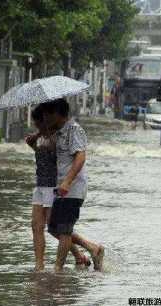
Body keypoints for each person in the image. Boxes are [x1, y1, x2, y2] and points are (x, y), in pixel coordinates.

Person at [25, 106, 92, 272]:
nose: (38, 124)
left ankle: (85, 250)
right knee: (36, 226)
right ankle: (39, 265)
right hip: (40, 185)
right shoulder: (45, 136)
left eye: (40, 121)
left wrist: (66, 182)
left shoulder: (59, 136)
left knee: (56, 229)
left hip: (52, 186)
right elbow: (42, 158)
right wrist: (35, 140)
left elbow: (68, 159)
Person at [42, 98, 104, 273]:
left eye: (48, 114)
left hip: (72, 188)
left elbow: (80, 157)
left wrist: (68, 181)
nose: (45, 117)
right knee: (54, 228)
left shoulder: (74, 130)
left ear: (58, 114)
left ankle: (58, 270)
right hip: (61, 188)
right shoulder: (59, 132)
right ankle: (92, 248)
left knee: (64, 230)